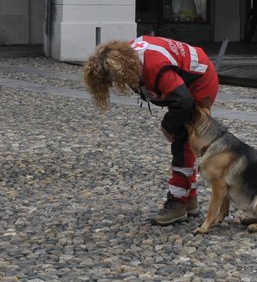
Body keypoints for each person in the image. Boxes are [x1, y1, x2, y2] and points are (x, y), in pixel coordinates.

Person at [81, 35, 220, 225]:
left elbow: (183, 101)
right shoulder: (128, 58)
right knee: (182, 137)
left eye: (113, 79)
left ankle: (178, 201)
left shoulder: (154, 66)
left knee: (183, 140)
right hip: (185, 80)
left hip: (200, 80)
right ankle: (190, 199)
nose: (115, 83)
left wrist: (167, 126)